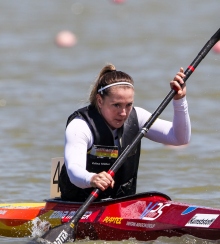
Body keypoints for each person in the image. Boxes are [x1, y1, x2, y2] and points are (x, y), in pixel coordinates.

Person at [59, 64, 191, 202]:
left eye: (128, 105)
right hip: (77, 202)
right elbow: (74, 170)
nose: (123, 113)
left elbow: (180, 138)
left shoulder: (137, 117)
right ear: (99, 100)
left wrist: (179, 100)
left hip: (121, 204)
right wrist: (92, 178)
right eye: (116, 105)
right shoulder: (80, 126)